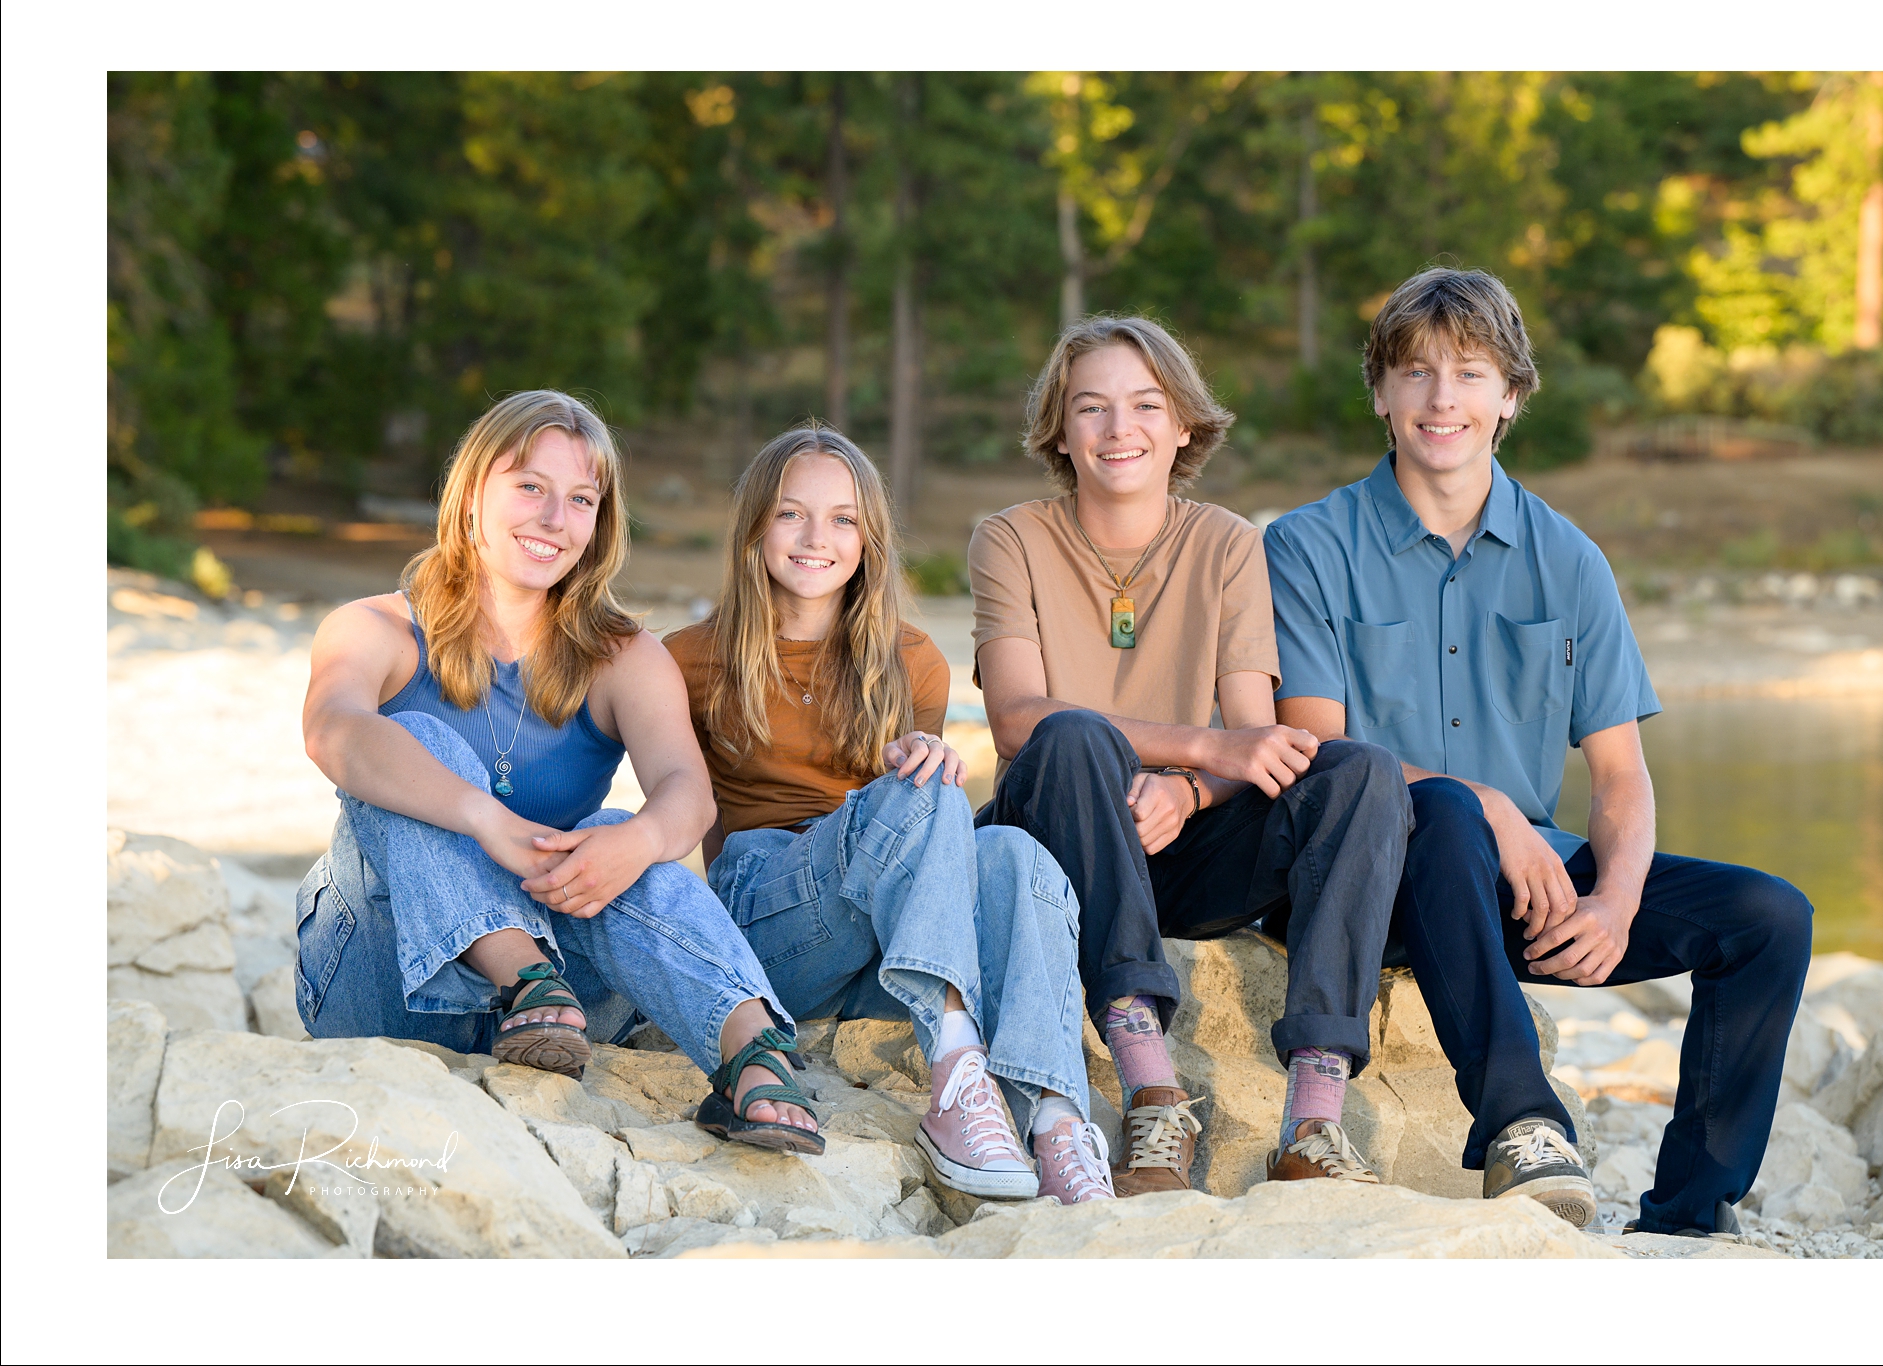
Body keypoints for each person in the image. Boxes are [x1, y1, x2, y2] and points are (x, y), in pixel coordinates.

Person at [1264, 266, 1813, 1234]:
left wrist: (1614, 900)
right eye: (1417, 373)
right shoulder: (1306, 545)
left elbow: (1617, 776)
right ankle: (1520, 1119)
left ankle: (1687, 1213)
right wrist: (1487, 805)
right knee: (1438, 810)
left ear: (1509, 395)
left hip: (1523, 889)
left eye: (1470, 373)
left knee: (1766, 913)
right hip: (1366, 884)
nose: (1443, 399)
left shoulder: (1567, 557)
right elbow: (1316, 746)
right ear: (1380, 393)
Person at [298, 390, 822, 1155]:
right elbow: (332, 729)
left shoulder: (621, 655)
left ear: (598, 524)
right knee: (411, 739)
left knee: (616, 832)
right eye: (530, 487)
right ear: (472, 493)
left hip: (570, 1010)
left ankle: (754, 1058)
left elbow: (687, 793)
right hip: (382, 976)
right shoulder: (375, 627)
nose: (554, 518)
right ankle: (521, 978)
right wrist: (484, 819)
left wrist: (641, 841)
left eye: (580, 499)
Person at [971, 316, 1412, 1197]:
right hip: (1058, 840)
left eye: (1144, 405)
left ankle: (1314, 1118)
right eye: (1089, 408)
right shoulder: (1009, 537)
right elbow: (1017, 719)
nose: (1117, 428)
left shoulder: (1227, 542)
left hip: (1178, 849)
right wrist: (1199, 750)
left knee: (1359, 769)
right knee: (1068, 734)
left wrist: (1192, 792)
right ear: (1059, 431)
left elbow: (1257, 740)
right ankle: (1151, 1090)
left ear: (1183, 424)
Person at [667, 425, 1113, 1205]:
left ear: (869, 538)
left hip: (889, 951)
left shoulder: (911, 660)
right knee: (931, 792)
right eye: (791, 514)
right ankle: (956, 1074)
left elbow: (929, 854)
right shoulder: (686, 658)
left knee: (1015, 853)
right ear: (754, 527)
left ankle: (1057, 1124)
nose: (817, 539)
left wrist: (914, 766)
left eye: (843, 519)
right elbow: (673, 820)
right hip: (768, 924)